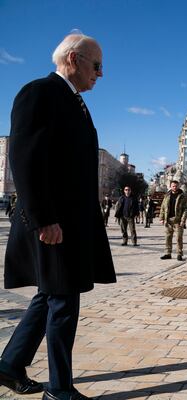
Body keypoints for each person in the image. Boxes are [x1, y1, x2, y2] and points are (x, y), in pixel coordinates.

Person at [0, 33, 115, 400]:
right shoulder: (40, 92)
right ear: (73, 59)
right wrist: (44, 218)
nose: (100, 73)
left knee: (50, 296)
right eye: (97, 65)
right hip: (53, 223)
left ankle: (8, 365)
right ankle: (60, 390)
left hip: (68, 222)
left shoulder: (74, 101)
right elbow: (24, 159)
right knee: (64, 300)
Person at [159, 180, 187, 261]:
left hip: (178, 221)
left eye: (176, 186)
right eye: (173, 186)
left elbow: (186, 209)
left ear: (178, 186)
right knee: (168, 237)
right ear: (170, 186)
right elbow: (163, 207)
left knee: (179, 238)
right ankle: (168, 253)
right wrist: (161, 218)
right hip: (168, 221)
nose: (174, 187)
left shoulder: (182, 196)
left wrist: (183, 220)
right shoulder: (167, 196)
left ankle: (179, 254)